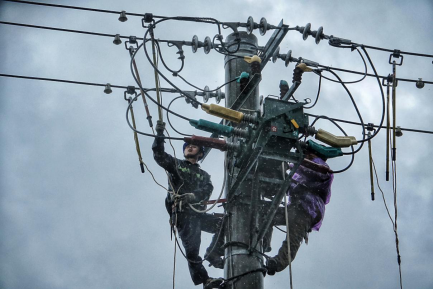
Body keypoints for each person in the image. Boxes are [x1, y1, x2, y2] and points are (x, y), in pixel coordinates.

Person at [152, 120, 223, 288]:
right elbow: (159, 155)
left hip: (197, 213)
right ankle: (205, 280)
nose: (190, 147)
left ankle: (213, 253)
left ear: (200, 153)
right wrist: (160, 134)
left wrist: (193, 196)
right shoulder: (176, 165)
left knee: (224, 224)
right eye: (187, 146)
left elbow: (207, 190)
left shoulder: (204, 175)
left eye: (194, 146)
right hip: (184, 214)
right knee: (192, 250)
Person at [266, 150, 334, 275]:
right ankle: (264, 243)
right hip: (295, 208)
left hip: (308, 209)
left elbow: (316, 172)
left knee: (293, 239)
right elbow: (290, 185)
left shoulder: (317, 163)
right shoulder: (300, 172)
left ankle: (278, 263)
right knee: (267, 215)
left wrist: (292, 162)